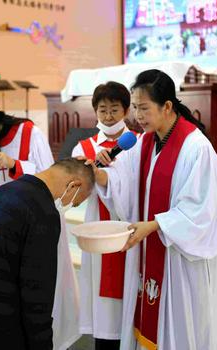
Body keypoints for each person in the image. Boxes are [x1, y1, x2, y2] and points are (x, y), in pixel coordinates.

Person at [91, 70, 217, 349]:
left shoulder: (196, 148)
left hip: (179, 259)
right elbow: (128, 185)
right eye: (136, 109)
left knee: (180, 329)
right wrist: (102, 175)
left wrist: (154, 226)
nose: (138, 116)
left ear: (167, 106)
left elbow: (200, 210)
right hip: (150, 254)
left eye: (144, 108)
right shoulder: (144, 141)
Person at [0, 94, 81, 349]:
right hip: (3, 229)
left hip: (35, 224)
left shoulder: (28, 133)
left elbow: (51, 176)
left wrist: (15, 164)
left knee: (39, 290)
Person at [0, 158, 94, 350]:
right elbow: (36, 292)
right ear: (73, 185)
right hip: (2, 334)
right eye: (76, 202)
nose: (70, 206)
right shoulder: (43, 212)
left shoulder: (0, 193)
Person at [71, 81, 135, 350]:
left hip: (131, 227)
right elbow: (74, 194)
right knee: (102, 297)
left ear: (127, 110)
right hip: (98, 226)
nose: (108, 117)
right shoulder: (83, 149)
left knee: (131, 297)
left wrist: (112, 176)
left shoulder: (140, 143)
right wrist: (91, 170)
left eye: (114, 110)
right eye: (102, 110)